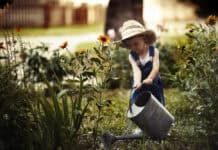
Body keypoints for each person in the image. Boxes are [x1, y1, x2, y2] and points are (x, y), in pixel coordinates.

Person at [119, 20, 165, 134]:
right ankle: (142, 126)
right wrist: (138, 82)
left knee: (157, 101)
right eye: (130, 45)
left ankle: (161, 124)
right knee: (137, 100)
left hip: (153, 80)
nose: (133, 47)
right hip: (140, 81)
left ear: (144, 39)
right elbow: (136, 70)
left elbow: (155, 68)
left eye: (136, 43)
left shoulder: (153, 51)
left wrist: (149, 78)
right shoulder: (132, 56)